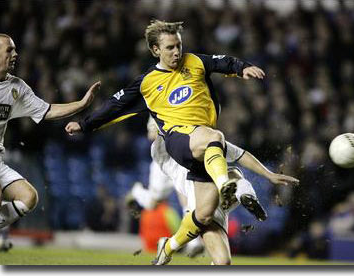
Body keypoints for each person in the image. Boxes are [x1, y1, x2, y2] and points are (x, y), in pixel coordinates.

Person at [65, 20, 293, 265]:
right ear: (155, 50)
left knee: (211, 233)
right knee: (216, 140)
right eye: (170, 48)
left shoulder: (195, 62)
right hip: (178, 141)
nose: (176, 52)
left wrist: (242, 68)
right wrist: (85, 124)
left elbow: (222, 61)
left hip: (203, 149)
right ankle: (228, 183)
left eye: (179, 46)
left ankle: (169, 246)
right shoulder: (147, 83)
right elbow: (114, 105)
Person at [0, 34, 100, 232]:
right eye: (9, 50)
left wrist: (82, 104)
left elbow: (48, 110)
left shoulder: (16, 88)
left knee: (29, 198)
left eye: (15, 49)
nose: (15, 54)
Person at [148, 133, 297, 265]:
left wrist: (269, 175)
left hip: (220, 192)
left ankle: (241, 192)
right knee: (222, 261)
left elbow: (240, 154)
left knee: (233, 174)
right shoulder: (164, 147)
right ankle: (168, 247)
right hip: (197, 193)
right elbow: (159, 129)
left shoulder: (204, 135)